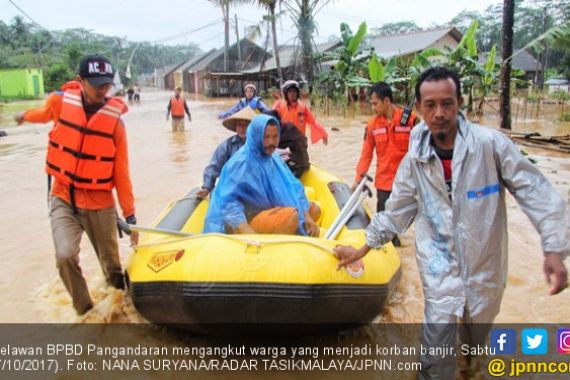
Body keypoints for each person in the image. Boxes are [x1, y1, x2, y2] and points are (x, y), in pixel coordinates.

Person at [334, 66, 569, 379]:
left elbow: (534, 190)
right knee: (435, 354)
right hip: (439, 269)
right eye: (430, 105)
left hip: (485, 268)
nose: (439, 112)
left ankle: (470, 367)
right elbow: (397, 212)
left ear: (460, 103)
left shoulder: (491, 147)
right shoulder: (414, 161)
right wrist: (362, 248)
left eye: (447, 103)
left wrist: (553, 248)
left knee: (473, 344)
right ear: (419, 109)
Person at [16, 54, 138, 315]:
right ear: (81, 81)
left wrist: (131, 216)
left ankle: (121, 314)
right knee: (65, 255)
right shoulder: (61, 104)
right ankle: (87, 314)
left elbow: (121, 174)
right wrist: (23, 116)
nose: (102, 90)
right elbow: (43, 114)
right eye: (96, 85)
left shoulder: (115, 123)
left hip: (100, 203)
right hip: (63, 196)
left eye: (106, 85)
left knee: (113, 269)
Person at [203, 114, 320, 237]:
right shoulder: (242, 163)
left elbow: (292, 185)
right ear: (257, 136)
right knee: (292, 217)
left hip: (266, 206)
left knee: (313, 210)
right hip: (248, 217)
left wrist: (306, 214)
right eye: (266, 137)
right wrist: (248, 232)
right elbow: (228, 204)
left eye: (275, 137)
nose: (271, 142)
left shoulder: (272, 156)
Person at [352, 81, 418, 247]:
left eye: (375, 103)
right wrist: (358, 178)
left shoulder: (411, 120)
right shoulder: (372, 125)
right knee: (384, 228)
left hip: (407, 183)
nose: (373, 107)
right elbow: (366, 154)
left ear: (387, 101)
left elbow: (423, 150)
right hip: (384, 183)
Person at [196, 106, 256, 199]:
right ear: (236, 127)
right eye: (239, 124)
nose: (242, 128)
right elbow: (214, 166)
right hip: (232, 187)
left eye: (245, 125)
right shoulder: (228, 145)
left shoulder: (261, 146)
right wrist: (207, 187)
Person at [273, 80, 328, 145]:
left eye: (294, 91)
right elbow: (271, 120)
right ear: (286, 93)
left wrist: (324, 134)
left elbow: (313, 122)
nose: (292, 94)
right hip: (284, 141)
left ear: (297, 93)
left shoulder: (303, 107)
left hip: (300, 141)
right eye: (290, 91)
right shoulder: (279, 105)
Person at [264, 110, 310, 178]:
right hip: (298, 157)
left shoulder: (284, 131)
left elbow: (303, 142)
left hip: (298, 163)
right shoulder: (284, 128)